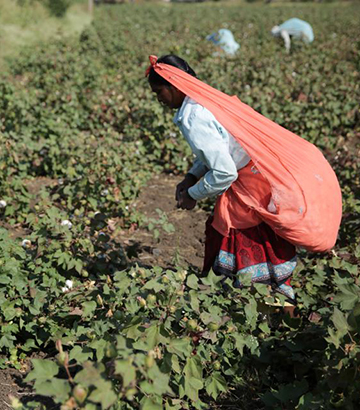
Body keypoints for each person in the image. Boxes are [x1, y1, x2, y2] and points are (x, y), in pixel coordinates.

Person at [146, 54, 341, 312]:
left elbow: (225, 172)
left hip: (251, 182)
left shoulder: (194, 117)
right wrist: (192, 175)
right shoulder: (205, 100)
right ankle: (272, 307)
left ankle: (267, 310)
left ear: (173, 85)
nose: (159, 99)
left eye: (159, 92)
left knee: (241, 238)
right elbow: (219, 149)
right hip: (260, 173)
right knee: (260, 243)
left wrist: (193, 194)